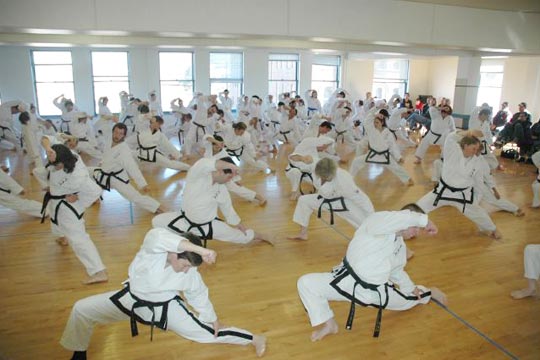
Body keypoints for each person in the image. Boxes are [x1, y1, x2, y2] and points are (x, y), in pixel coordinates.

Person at [60, 228, 267, 360]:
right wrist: (203, 251)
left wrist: (212, 319)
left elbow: (198, 294)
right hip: (130, 299)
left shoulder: (190, 271)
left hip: (165, 308)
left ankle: (254, 338)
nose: (187, 270)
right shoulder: (153, 251)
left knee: (207, 335)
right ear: (174, 252)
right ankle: (79, 353)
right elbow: (159, 236)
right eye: (185, 264)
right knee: (81, 309)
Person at [297, 204, 447, 341]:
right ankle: (330, 325)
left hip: (375, 293)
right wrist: (426, 221)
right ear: (404, 219)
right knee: (306, 283)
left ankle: (429, 292)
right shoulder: (378, 221)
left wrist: (410, 287)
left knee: (408, 301)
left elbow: (396, 271)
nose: (417, 232)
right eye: (415, 227)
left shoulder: (400, 246)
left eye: (418, 229)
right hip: (345, 281)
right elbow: (403, 217)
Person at [152, 157, 272, 246]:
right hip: (184, 220)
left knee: (242, 237)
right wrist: (232, 166)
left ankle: (262, 236)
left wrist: (238, 224)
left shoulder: (221, 189)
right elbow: (202, 163)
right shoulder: (197, 177)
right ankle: (185, 242)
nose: (228, 181)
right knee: (156, 221)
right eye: (229, 177)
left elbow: (228, 209)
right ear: (220, 171)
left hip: (209, 226)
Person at [34, 142, 108, 284]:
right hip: (56, 203)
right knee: (56, 221)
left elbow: (95, 191)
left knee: (79, 239)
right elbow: (45, 145)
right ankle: (62, 237)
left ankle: (99, 272)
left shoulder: (77, 175)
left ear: (62, 159)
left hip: (68, 208)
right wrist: (49, 187)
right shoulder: (64, 158)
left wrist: (79, 199)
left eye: (51, 155)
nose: (48, 156)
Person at [416, 130, 501, 239]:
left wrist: (478, 197)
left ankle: (492, 229)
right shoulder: (453, 150)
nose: (475, 152)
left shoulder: (478, 160)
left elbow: (479, 181)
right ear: (465, 145)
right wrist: (469, 132)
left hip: (463, 194)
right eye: (473, 148)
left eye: (477, 149)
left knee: (478, 213)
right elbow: (451, 137)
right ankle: (404, 227)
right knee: (418, 207)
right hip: (443, 191)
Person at [288, 158, 374, 240]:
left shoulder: (344, 179)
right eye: (322, 177)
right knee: (304, 200)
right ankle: (303, 234)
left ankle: (375, 240)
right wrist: (300, 158)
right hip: (323, 199)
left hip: (344, 203)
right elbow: (298, 161)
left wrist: (371, 214)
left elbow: (360, 198)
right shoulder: (316, 167)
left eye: (326, 177)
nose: (324, 178)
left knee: (366, 225)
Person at [91, 123, 164, 214]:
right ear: (113, 131)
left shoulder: (124, 150)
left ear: (124, 135)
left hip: (116, 178)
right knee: (87, 173)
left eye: (120, 134)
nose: (117, 135)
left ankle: (157, 207)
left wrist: (142, 184)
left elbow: (132, 167)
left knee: (135, 197)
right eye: (116, 132)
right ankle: (95, 197)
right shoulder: (108, 140)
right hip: (103, 173)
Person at [350, 111, 413, 185]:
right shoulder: (371, 131)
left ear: (382, 123)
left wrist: (398, 157)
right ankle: (349, 178)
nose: (375, 124)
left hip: (384, 156)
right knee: (356, 161)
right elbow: (366, 121)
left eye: (377, 122)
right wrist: (374, 114)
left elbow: (393, 146)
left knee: (396, 168)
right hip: (372, 154)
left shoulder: (387, 133)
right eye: (374, 122)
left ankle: (408, 179)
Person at [203, 134, 266, 205]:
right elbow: (206, 137)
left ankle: (259, 197)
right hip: (208, 174)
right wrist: (216, 141)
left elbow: (232, 168)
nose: (218, 147)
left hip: (220, 175)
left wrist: (236, 180)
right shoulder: (208, 147)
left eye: (220, 145)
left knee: (235, 188)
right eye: (216, 145)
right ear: (212, 144)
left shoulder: (223, 154)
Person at [285, 136, 335, 201]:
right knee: (295, 171)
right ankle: (294, 192)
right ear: (320, 144)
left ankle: (324, 192)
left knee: (320, 181)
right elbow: (292, 157)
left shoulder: (314, 153)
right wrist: (302, 158)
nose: (324, 150)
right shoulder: (304, 146)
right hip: (292, 171)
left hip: (307, 175)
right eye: (324, 147)